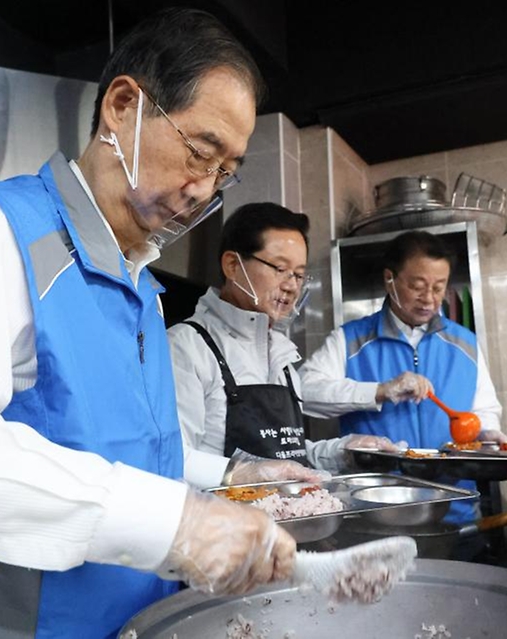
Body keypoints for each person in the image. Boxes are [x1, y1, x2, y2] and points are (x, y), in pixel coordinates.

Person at [0, 9, 296, 639]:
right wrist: (175, 524)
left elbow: (115, 448)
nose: (204, 189)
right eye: (201, 150)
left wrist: (225, 479)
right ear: (122, 106)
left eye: (225, 172)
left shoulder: (140, 286)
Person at [168, 202, 401, 488]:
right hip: (223, 526)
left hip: (287, 526)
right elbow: (171, 458)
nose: (291, 285)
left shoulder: (283, 356)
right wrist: (240, 475)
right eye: (280, 268)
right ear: (232, 264)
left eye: (299, 274)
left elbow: (289, 454)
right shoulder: (186, 346)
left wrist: (346, 450)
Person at [299, 230, 506, 524]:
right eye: (417, 286)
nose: (429, 299)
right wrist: (380, 390)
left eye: (438, 287)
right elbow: (302, 392)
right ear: (390, 279)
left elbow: (483, 409)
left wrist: (486, 433)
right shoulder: (351, 340)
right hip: (376, 512)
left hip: (454, 510)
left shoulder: (465, 343)